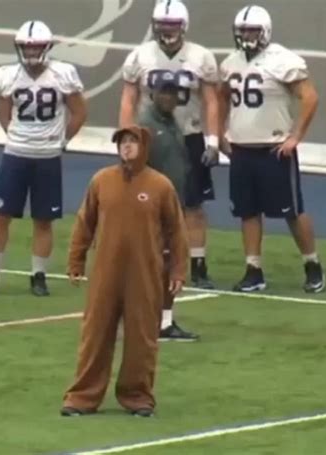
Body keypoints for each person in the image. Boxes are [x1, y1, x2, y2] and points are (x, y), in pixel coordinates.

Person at [61, 125, 188, 417]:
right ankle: (81, 397)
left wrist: (178, 271)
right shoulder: (102, 181)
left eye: (132, 141)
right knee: (95, 334)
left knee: (142, 337)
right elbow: (85, 223)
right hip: (105, 272)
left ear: (144, 146)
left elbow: (177, 233)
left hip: (144, 275)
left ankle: (138, 396)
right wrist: (76, 260)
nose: (127, 147)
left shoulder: (160, 186)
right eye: (122, 142)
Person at [0, 20, 87, 297]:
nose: (31, 53)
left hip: (47, 156)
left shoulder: (63, 73)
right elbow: (4, 114)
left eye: (36, 47)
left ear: (47, 47)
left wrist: (62, 140)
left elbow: (79, 112)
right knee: (1, 215)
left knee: (43, 219)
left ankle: (38, 276)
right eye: (26, 47)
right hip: (16, 153)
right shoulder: (8, 74)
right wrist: (17, 137)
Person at [219, 5, 326, 293]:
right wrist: (219, 133)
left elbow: (310, 97)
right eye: (243, 31)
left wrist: (295, 137)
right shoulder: (231, 62)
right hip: (242, 148)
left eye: (252, 30)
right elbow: (222, 98)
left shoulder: (283, 60)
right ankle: (253, 270)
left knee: (292, 210)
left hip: (274, 149)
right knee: (247, 211)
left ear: (265, 31)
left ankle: (312, 265)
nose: (247, 36)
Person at [119, 0, 220, 289]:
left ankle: (197, 264)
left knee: (193, 204)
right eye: (163, 25)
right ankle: (144, 258)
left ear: (183, 26)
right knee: (144, 201)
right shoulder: (140, 55)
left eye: (173, 25)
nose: (167, 30)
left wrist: (212, 140)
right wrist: (127, 137)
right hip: (149, 138)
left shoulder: (201, 56)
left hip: (188, 135)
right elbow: (128, 99)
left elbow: (212, 100)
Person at [138, 71, 198, 341]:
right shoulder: (145, 126)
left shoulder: (172, 123)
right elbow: (134, 169)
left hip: (172, 205)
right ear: (153, 94)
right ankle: (144, 321)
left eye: (172, 93)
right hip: (153, 208)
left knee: (168, 264)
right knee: (152, 266)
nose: (168, 97)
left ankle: (162, 322)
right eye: (163, 92)